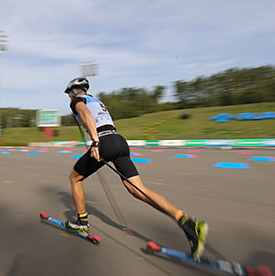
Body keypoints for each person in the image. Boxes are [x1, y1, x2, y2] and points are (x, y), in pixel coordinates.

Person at [63, 77, 208, 259]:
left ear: (74, 91)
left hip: (104, 142)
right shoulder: (96, 100)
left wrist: (95, 142)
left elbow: (85, 113)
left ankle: (82, 222)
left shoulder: (78, 100)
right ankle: (187, 223)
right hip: (119, 141)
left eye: (69, 94)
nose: (69, 98)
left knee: (74, 178)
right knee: (138, 189)